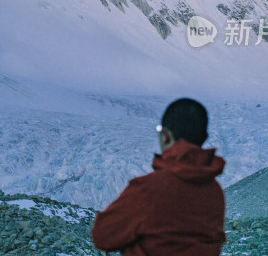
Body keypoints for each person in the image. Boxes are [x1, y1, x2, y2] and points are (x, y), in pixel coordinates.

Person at [91, 98, 226, 255]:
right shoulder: (215, 192)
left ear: (165, 136)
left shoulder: (150, 188)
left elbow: (102, 236)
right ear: (204, 137)